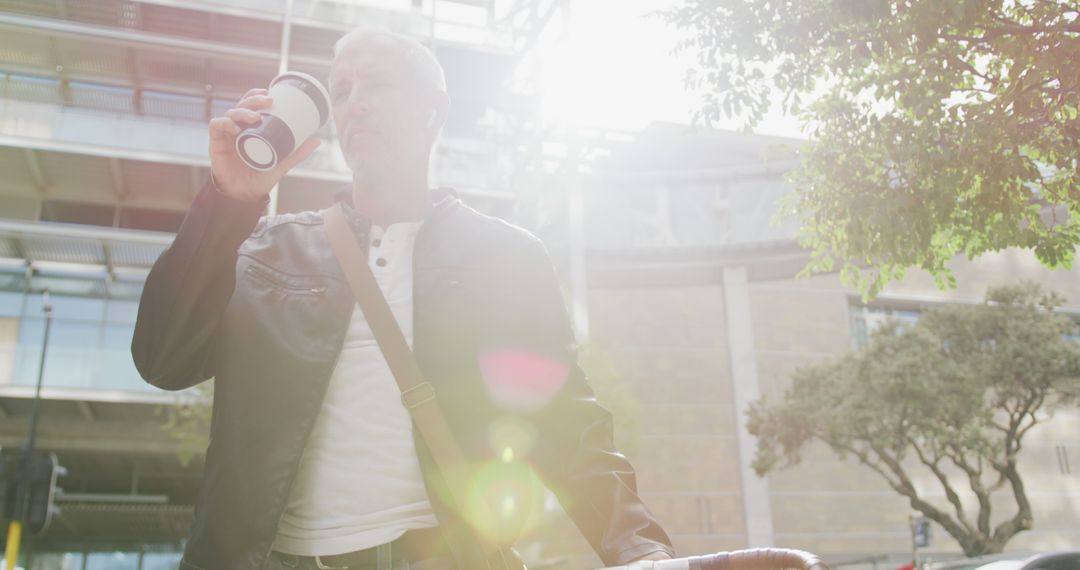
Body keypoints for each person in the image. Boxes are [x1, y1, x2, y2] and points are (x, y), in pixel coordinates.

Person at [132, 28, 674, 570]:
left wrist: (638, 549)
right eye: (341, 92)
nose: (356, 104)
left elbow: (563, 422)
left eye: (378, 85)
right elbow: (163, 361)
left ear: (433, 111)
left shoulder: (504, 256)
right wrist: (226, 203)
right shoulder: (268, 247)